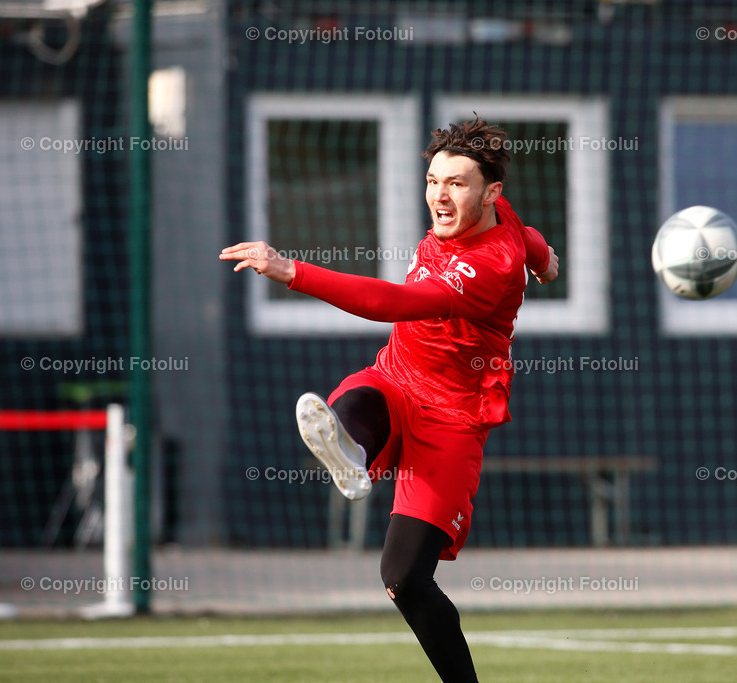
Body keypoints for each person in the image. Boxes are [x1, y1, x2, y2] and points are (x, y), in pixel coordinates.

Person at [220, 117, 558, 682]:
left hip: (451, 419)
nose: (439, 196)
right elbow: (530, 237)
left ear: (489, 192)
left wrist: (292, 270)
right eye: (433, 181)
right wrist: (546, 263)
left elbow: (389, 303)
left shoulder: (488, 264)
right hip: (397, 379)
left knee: (404, 578)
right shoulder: (500, 215)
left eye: (456, 184)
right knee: (355, 398)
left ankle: (354, 454)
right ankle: (352, 450)